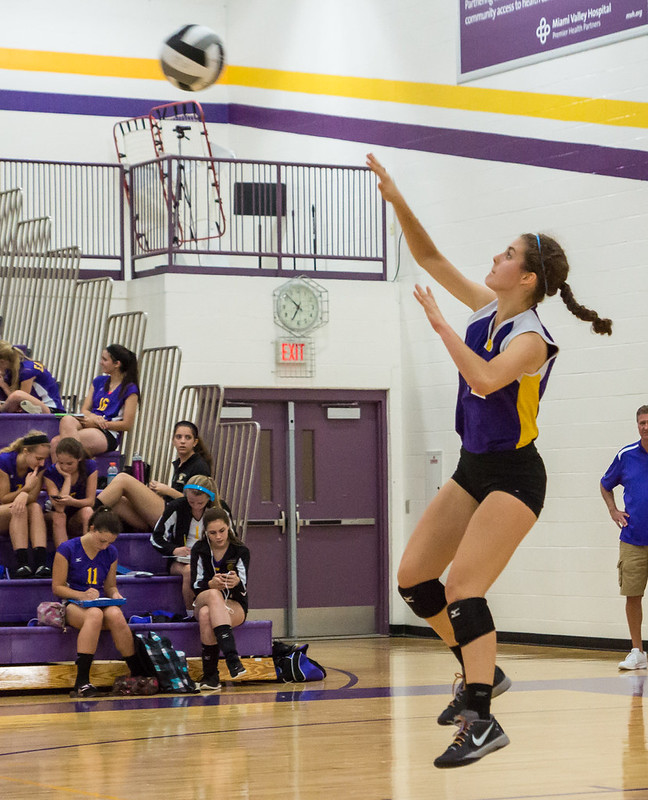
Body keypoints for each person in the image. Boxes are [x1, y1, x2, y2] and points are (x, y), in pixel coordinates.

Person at [367, 152, 613, 768]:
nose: (495, 258)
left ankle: (480, 719)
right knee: (414, 581)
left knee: (463, 589)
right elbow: (429, 258)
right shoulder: (486, 306)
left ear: (526, 278)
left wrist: (439, 325)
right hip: (473, 466)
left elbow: (482, 380)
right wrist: (397, 200)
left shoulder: (532, 339)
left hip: (515, 476)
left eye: (507, 255)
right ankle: (484, 671)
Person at [51, 507, 145, 697]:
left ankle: (137, 672)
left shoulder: (110, 552)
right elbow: (57, 587)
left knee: (116, 614)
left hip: (99, 602)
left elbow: (110, 586)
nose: (104, 546)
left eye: (109, 542)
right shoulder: (67, 549)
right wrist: (81, 595)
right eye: (102, 541)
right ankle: (82, 682)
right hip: (73, 603)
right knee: (94, 615)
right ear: (92, 528)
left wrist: (115, 594)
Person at [94, 420, 212, 532]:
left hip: (178, 518)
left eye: (188, 438)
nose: (182, 441)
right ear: (173, 440)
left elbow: (198, 502)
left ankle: (89, 513)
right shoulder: (180, 463)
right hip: (167, 512)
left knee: (123, 479)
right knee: (117, 501)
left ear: (195, 442)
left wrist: (167, 490)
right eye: (179, 437)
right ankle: (93, 527)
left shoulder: (199, 466)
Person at [600, 405, 648, 671]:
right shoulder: (626, 455)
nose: (646, 427)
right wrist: (613, 510)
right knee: (632, 595)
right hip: (633, 540)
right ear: (637, 426)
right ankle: (637, 651)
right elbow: (605, 484)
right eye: (642, 423)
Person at [150, 475, 227, 620]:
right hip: (182, 560)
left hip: (211, 558)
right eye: (191, 502)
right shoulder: (177, 507)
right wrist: (174, 549)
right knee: (190, 570)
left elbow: (231, 538)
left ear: (209, 498)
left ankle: (219, 610)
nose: (195, 506)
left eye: (200, 503)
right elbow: (156, 537)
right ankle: (191, 614)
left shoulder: (220, 510)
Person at [192, 507, 249, 690]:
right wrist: (210, 584)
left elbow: (243, 588)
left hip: (234, 603)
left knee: (206, 615)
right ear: (206, 532)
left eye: (222, 531)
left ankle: (211, 677)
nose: (218, 536)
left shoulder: (240, 550)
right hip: (204, 597)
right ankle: (232, 657)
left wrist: (236, 582)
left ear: (229, 527)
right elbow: (195, 585)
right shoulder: (199, 549)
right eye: (212, 533)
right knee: (213, 595)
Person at [52, 344, 139, 457]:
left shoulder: (130, 389)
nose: (100, 362)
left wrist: (100, 424)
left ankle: (77, 465)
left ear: (117, 364)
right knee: (66, 420)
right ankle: (73, 464)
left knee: (57, 443)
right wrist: (93, 418)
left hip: (108, 431)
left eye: (104, 359)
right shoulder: (99, 381)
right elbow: (84, 410)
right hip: (90, 421)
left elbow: (127, 425)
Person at [0, 431, 51, 577]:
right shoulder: (4, 461)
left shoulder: (39, 467)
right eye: (38, 458)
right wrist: (25, 489)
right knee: (19, 508)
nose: (42, 463)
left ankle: (40, 563)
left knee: (34, 507)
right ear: (26, 451)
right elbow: (3, 498)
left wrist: (24, 495)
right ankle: (22, 563)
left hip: (14, 512)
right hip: (3, 511)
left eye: (44, 459)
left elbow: (33, 498)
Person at [43, 437, 97, 545]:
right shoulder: (51, 473)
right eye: (61, 463)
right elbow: (59, 508)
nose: (65, 467)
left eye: (69, 463)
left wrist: (72, 502)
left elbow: (90, 501)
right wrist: (67, 478)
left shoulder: (89, 466)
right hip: (55, 517)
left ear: (79, 458)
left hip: (76, 517)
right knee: (59, 516)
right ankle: (63, 554)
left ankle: (88, 550)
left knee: (88, 511)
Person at [0, 340, 65, 414]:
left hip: (51, 409)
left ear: (2, 362)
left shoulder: (27, 371)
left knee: (17, 395)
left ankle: (1, 409)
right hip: (37, 405)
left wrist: (4, 386)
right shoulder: (13, 370)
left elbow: (19, 401)